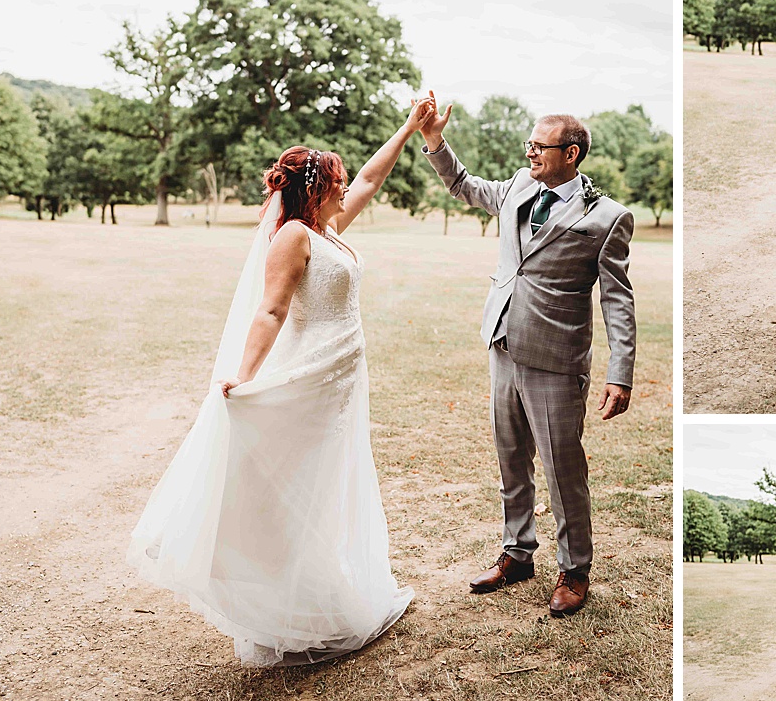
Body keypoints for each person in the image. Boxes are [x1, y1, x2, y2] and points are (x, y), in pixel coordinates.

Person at [128, 99, 434, 666]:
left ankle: (320, 593)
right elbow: (270, 311)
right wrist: (242, 376)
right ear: (316, 190)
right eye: (337, 183)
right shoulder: (294, 236)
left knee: (329, 485)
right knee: (302, 488)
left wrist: (409, 128)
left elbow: (371, 175)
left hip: (342, 379)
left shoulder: (328, 227)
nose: (347, 189)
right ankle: (290, 605)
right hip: (311, 376)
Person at [418, 97, 636, 617]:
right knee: (510, 459)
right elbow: (465, 186)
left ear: (572, 153)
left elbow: (617, 298)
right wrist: (434, 141)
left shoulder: (607, 218)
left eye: (541, 146)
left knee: (564, 470)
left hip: (557, 358)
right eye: (530, 144)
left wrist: (620, 372)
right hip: (503, 345)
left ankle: (574, 570)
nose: (531, 153)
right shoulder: (519, 185)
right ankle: (518, 553)